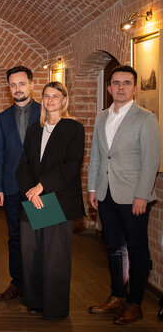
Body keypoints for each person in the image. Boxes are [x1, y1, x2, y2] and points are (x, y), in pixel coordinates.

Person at [87, 65, 160, 325]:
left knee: (137, 250)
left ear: (135, 88)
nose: (120, 87)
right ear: (109, 88)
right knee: (114, 247)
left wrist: (142, 194)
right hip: (106, 193)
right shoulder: (101, 117)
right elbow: (97, 154)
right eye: (116, 83)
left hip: (133, 197)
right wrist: (93, 188)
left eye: (126, 83)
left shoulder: (145, 118)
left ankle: (135, 303)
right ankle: (117, 296)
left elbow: (151, 160)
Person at [16, 81, 85, 320]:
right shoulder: (35, 129)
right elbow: (24, 164)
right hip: (34, 198)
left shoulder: (73, 128)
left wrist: (41, 187)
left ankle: (55, 309)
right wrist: (30, 191)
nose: (50, 100)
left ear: (64, 100)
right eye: (46, 96)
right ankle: (35, 301)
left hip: (57, 198)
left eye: (56, 96)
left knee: (55, 257)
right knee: (32, 253)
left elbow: (70, 167)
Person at [0, 66, 41, 301]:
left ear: (31, 84)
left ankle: (39, 287)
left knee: (41, 237)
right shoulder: (1, 119)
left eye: (21, 83)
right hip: (10, 188)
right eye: (13, 85)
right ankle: (17, 284)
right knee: (15, 238)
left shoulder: (45, 113)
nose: (17, 89)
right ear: (8, 88)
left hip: (40, 190)